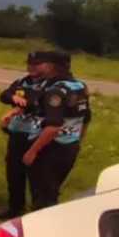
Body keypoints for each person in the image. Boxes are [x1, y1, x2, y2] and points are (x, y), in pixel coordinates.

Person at [23, 51, 91, 210]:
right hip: (70, 146)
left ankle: (41, 224)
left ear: (50, 66)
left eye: (42, 63)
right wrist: (77, 141)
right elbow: (86, 118)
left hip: (50, 148)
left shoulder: (56, 91)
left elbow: (53, 127)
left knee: (43, 196)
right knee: (52, 190)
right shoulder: (80, 86)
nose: (39, 67)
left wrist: (32, 151)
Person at [0, 53, 47, 219]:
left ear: (46, 65)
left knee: (37, 176)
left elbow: (35, 102)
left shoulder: (50, 84)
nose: (32, 67)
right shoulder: (22, 82)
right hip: (17, 132)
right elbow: (4, 95)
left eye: (36, 64)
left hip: (36, 135)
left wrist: (19, 105)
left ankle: (37, 213)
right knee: (14, 172)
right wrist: (12, 96)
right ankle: (15, 207)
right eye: (30, 64)